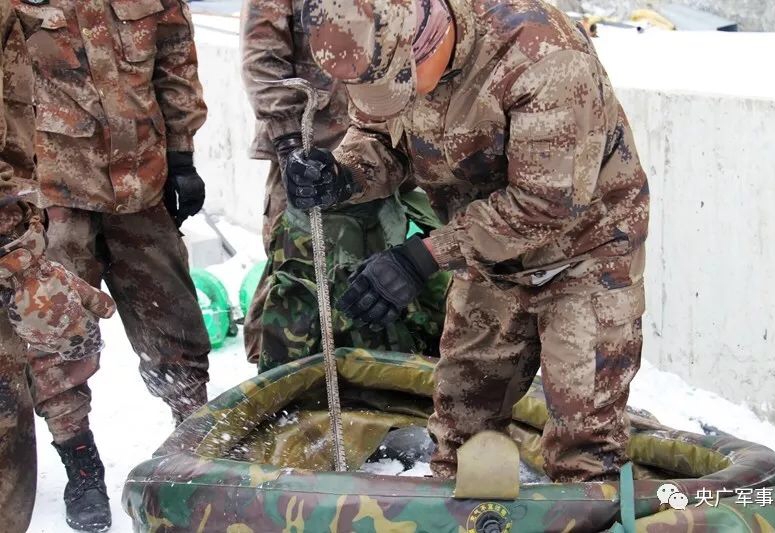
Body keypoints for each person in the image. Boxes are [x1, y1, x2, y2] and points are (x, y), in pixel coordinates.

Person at [292, 0, 649, 482]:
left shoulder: (544, 57)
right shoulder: (381, 44)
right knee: (461, 427)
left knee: (584, 450)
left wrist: (423, 256)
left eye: (399, 83)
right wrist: (343, 175)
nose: (394, 96)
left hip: (585, 255)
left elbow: (546, 203)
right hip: (488, 258)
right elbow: (380, 134)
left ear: (426, 40)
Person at [13, 0, 210, 529]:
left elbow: (175, 55)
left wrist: (182, 155)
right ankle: (81, 465)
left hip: (143, 184)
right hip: (53, 195)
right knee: (57, 340)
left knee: (176, 324)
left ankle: (194, 448)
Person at [240, 0, 446, 374]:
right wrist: (291, 145)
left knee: (384, 289)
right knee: (301, 286)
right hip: (315, 150)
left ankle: (381, 385)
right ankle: (289, 391)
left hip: (396, 150)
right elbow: (263, 56)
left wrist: (422, 258)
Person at [0, 3, 115, 532]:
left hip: (132, 180)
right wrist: (20, 259)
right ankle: (79, 461)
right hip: (44, 205)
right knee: (47, 335)